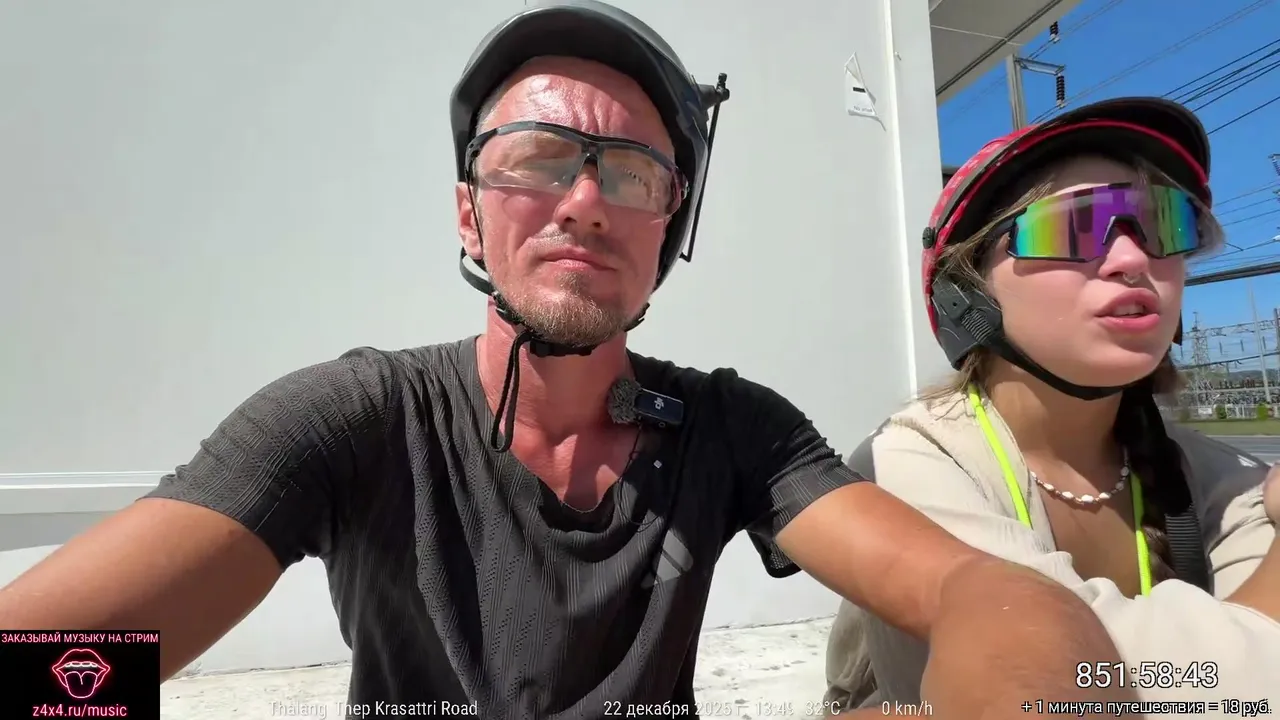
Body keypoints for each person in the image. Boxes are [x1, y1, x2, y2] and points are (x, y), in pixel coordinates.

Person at [0, 2, 1134, 717]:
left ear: (666, 230)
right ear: (468, 211)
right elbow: (63, 656)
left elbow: (966, 590)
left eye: (631, 173)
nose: (584, 201)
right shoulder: (356, 418)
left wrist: (1037, 674)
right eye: (539, 158)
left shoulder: (734, 429)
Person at [824, 97, 1280, 714]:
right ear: (966, 290)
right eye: (1074, 228)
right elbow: (1062, 689)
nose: (1133, 260)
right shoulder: (910, 461)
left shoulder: (1220, 476)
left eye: (1165, 225)